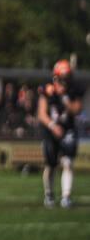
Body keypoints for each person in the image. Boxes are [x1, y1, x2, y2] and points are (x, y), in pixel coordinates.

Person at [38, 59, 83, 208]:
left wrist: (64, 99)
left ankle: (66, 196)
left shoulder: (73, 90)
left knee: (68, 163)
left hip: (67, 130)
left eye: (67, 77)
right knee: (51, 165)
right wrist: (52, 126)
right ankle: (49, 194)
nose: (65, 80)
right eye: (63, 77)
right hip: (50, 130)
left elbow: (77, 109)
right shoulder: (47, 89)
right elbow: (41, 114)